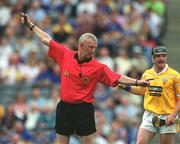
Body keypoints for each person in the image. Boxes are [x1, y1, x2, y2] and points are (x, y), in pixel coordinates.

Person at [20, 12, 150, 144]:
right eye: (90, 47)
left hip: (84, 109)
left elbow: (117, 77)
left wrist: (137, 82)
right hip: (64, 107)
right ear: (81, 46)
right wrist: (30, 25)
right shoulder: (66, 55)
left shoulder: (98, 67)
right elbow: (46, 39)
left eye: (94, 48)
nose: (92, 51)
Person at [118, 46, 180, 144]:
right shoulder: (147, 73)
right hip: (150, 115)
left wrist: (173, 115)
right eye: (158, 56)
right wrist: (126, 87)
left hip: (167, 116)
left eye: (163, 56)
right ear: (153, 58)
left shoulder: (175, 75)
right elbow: (143, 91)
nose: (161, 58)